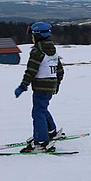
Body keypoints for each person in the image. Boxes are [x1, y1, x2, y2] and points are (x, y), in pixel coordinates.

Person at [14, 22, 64, 153]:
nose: (31, 38)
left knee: (37, 113)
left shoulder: (37, 51)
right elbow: (60, 70)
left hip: (41, 87)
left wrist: (23, 86)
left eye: (32, 36)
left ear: (37, 36)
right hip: (50, 86)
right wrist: (57, 83)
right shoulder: (52, 50)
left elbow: (31, 71)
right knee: (42, 109)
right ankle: (51, 132)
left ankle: (41, 142)